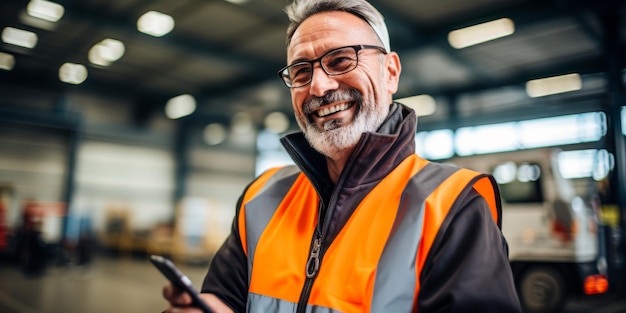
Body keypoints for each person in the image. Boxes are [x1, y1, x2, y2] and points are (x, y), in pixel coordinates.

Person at [162, 0, 522, 312]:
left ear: (391, 72)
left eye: (341, 60)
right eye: (302, 71)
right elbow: (227, 297)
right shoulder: (262, 198)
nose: (319, 86)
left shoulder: (453, 205)